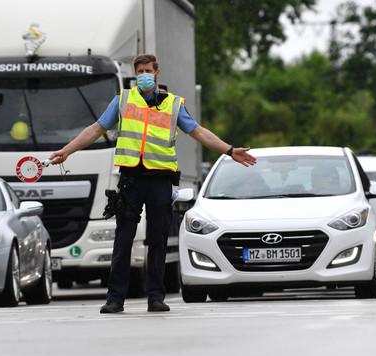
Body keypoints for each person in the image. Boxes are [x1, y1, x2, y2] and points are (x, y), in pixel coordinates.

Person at [49, 54, 256, 313]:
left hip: (159, 180)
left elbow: (199, 132)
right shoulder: (123, 100)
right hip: (131, 179)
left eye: (148, 71)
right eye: (140, 72)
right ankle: (115, 299)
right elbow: (96, 129)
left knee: (157, 240)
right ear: (136, 75)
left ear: (157, 73)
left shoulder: (173, 105)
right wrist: (68, 150)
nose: (143, 76)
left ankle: (156, 297)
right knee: (123, 240)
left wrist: (230, 150)